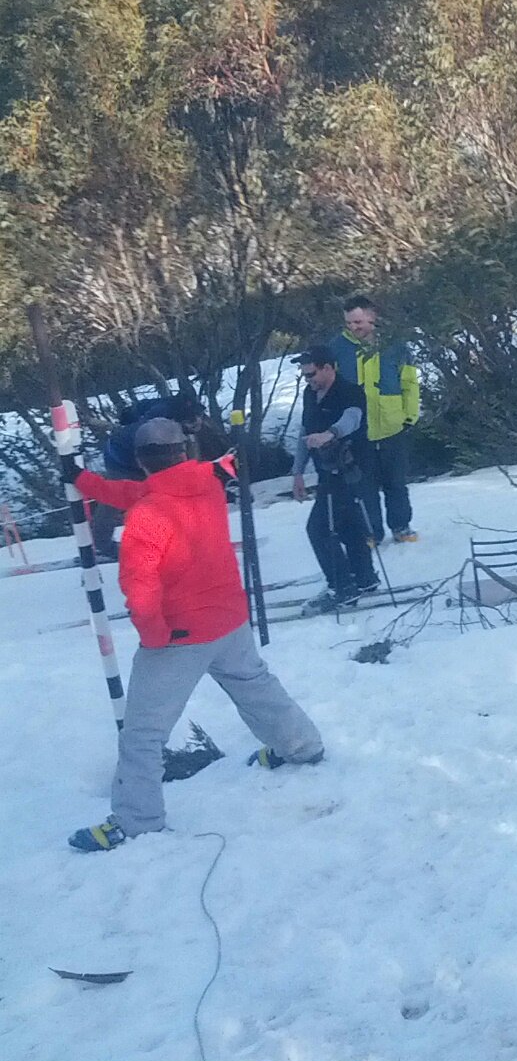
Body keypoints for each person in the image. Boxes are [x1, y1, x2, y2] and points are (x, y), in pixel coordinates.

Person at [68, 418, 324, 851]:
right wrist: (84, 481)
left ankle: (136, 822)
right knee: (257, 687)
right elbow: (135, 494)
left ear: (139, 462)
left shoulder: (149, 514)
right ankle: (302, 747)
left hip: (180, 635)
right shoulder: (206, 479)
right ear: (184, 453)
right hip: (229, 618)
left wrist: (154, 637)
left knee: (143, 732)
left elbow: (139, 584)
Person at [289, 348, 379, 607]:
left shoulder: (349, 391)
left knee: (319, 528)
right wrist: (297, 472)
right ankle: (364, 577)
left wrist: (330, 433)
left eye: (312, 374)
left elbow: (353, 419)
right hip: (325, 470)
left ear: (328, 367)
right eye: (304, 376)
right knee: (348, 524)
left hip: (352, 469)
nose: (308, 380)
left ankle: (342, 585)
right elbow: (305, 433)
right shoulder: (309, 395)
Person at [333, 295, 421, 545]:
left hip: (393, 425)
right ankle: (370, 532)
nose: (354, 327)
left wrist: (409, 415)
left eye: (358, 321)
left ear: (373, 317)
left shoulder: (396, 346)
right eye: (349, 323)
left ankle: (401, 526)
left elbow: (410, 382)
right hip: (358, 431)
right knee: (364, 487)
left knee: (396, 482)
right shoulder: (337, 348)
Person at [89, 393, 203, 562]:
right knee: (117, 499)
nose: (197, 424)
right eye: (192, 423)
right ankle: (102, 545)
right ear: (179, 421)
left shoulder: (179, 414)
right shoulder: (154, 431)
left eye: (198, 419)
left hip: (146, 456)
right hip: (121, 460)